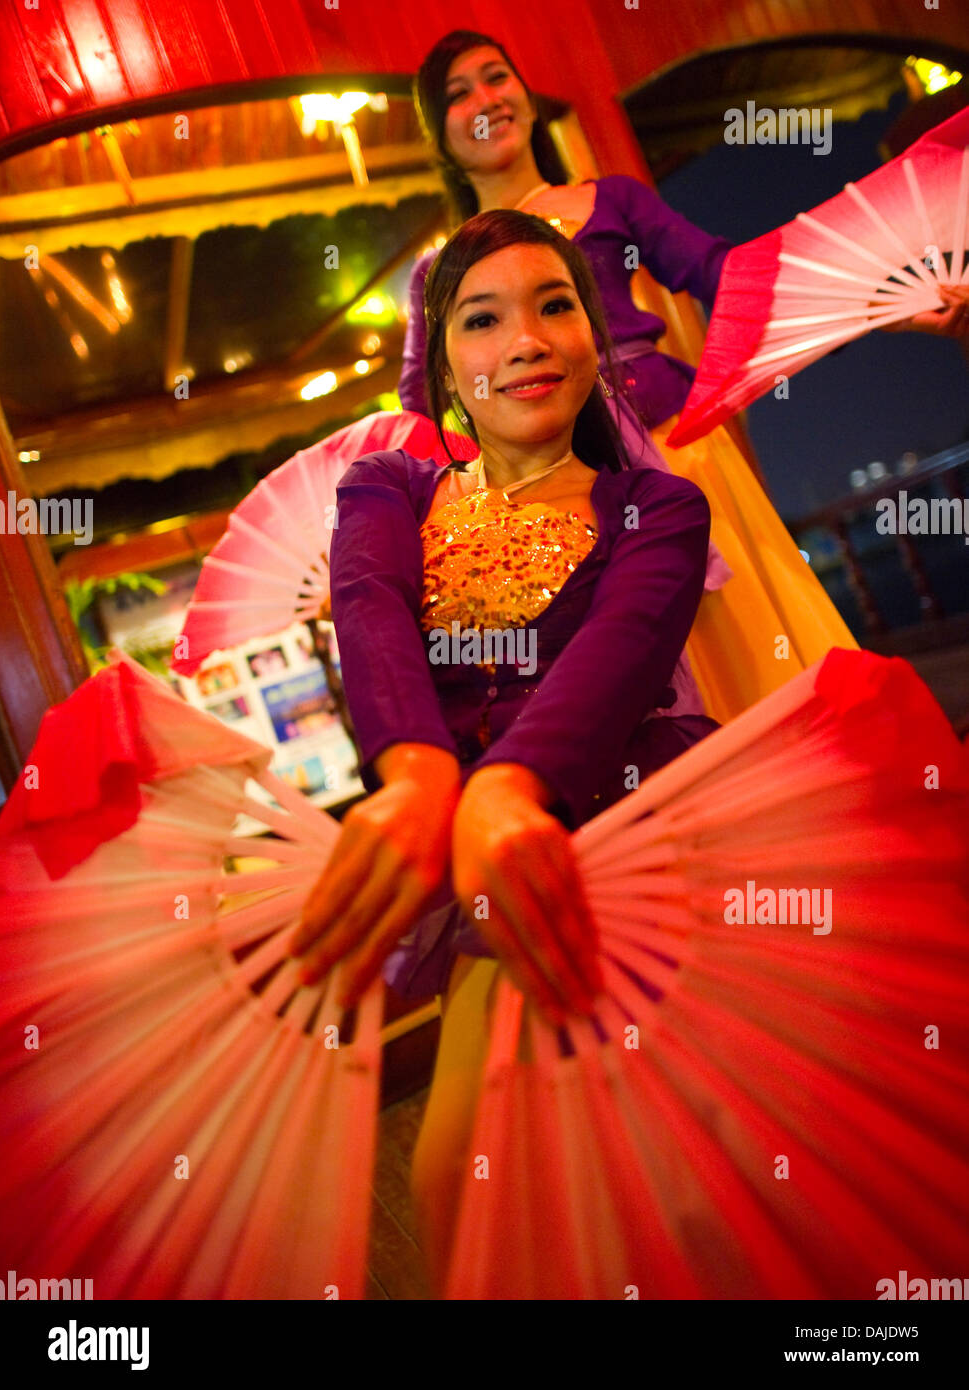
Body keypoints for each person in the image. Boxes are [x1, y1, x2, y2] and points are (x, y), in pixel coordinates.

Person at [292, 209, 717, 1284]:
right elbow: (371, 609)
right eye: (481, 319)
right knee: (458, 1181)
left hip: (632, 824)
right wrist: (427, 773)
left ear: (592, 338)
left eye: (555, 305)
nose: (525, 340)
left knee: (686, 1165)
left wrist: (504, 788)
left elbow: (618, 656)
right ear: (441, 367)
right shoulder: (387, 489)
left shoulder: (657, 507)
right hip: (478, 859)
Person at [397, 31, 961, 725]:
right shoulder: (439, 271)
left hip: (683, 459)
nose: (485, 100)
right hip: (559, 509)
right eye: (458, 94)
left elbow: (731, 280)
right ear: (439, 135)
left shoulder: (611, 202)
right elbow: (419, 405)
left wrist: (885, 302)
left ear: (526, 97)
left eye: (496, 78)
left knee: (758, 651)